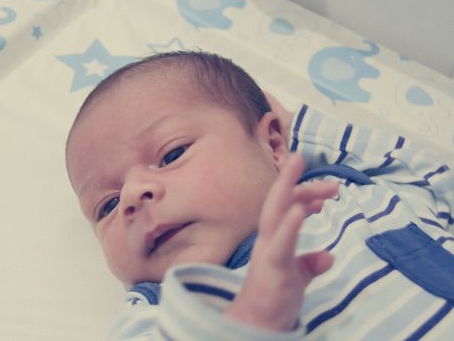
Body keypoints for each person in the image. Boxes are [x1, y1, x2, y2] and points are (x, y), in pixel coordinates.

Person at [65, 51, 454, 340]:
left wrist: (295, 130)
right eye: (107, 206)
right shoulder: (156, 316)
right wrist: (243, 324)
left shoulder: (349, 193)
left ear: (271, 143)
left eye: (172, 154)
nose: (133, 195)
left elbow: (429, 175)